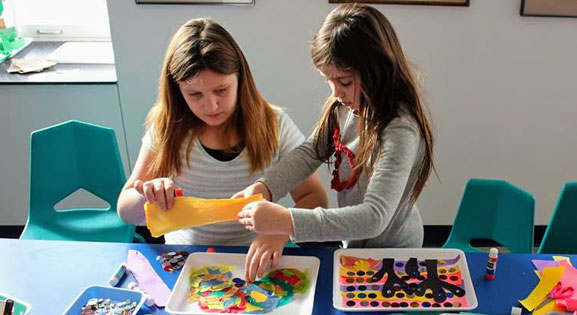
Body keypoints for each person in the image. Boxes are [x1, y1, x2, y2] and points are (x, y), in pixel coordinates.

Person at [236, 4, 435, 281]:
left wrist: (287, 221)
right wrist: (266, 187)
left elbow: (374, 217)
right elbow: (309, 153)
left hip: (395, 256)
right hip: (353, 247)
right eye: (328, 80)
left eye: (343, 80)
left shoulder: (400, 129)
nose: (335, 91)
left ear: (377, 69)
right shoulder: (343, 107)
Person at [117, 18, 327, 261]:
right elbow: (125, 211)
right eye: (195, 94)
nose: (211, 105)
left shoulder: (274, 124)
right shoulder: (166, 126)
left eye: (221, 90)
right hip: (184, 259)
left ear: (240, 78)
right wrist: (147, 194)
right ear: (177, 90)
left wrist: (282, 229)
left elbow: (315, 199)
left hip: (253, 259)